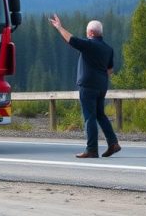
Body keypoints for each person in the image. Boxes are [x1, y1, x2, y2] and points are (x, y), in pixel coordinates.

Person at [48, 14, 121, 158]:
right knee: (100, 115)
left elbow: (71, 39)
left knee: (90, 117)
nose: (86, 35)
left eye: (87, 32)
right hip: (102, 86)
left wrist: (59, 27)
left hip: (88, 86)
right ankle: (113, 143)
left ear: (91, 33)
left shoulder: (89, 45)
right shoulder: (108, 48)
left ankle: (92, 149)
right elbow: (110, 70)